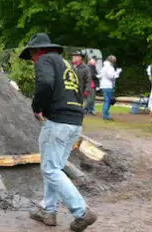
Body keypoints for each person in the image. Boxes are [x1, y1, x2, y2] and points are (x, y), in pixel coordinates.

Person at [19, 33, 97, 232]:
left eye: (32, 56)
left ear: (38, 50)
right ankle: (49, 210)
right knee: (55, 168)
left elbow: (45, 85)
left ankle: (81, 212)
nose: (33, 61)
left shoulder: (45, 60)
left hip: (58, 121)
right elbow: (77, 90)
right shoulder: (65, 64)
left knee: (51, 169)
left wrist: (37, 107)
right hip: (74, 121)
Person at [99, 55, 122, 121]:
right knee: (108, 101)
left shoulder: (103, 67)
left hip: (103, 85)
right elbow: (111, 76)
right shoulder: (110, 67)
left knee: (107, 100)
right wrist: (117, 72)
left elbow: (101, 76)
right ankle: (106, 114)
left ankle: (105, 114)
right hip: (108, 85)